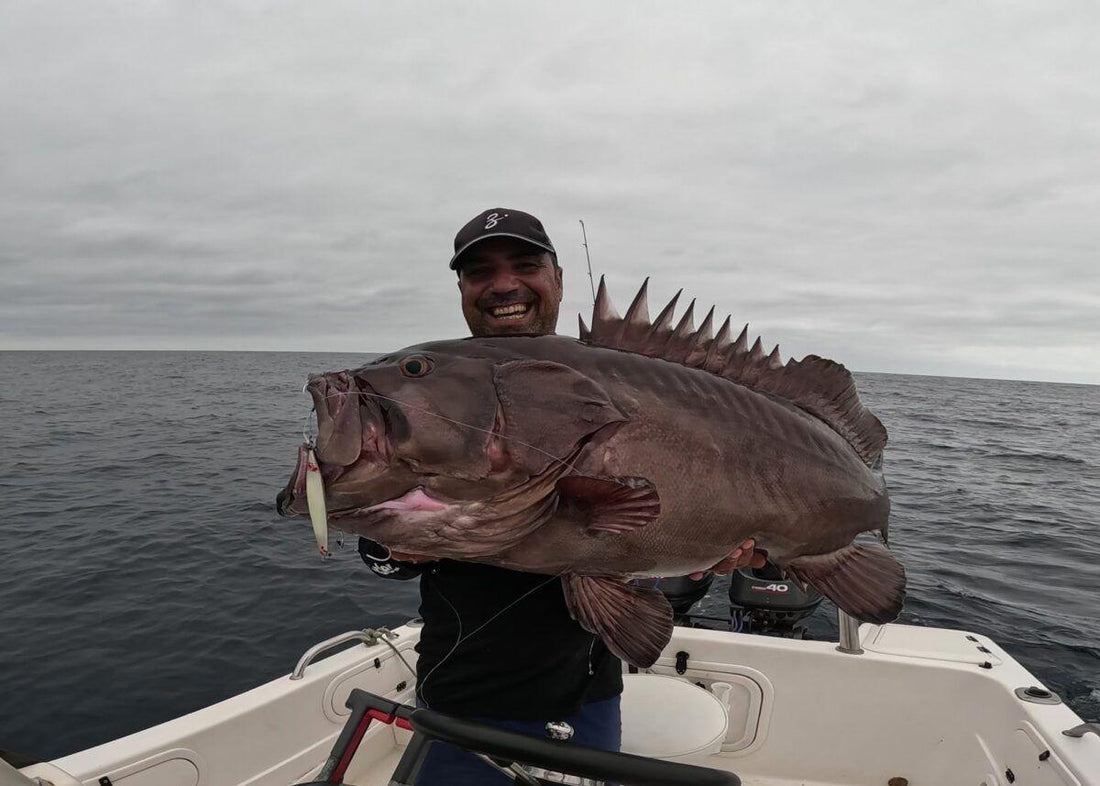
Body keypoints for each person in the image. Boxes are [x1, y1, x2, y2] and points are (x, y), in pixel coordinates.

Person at [358, 208, 763, 785]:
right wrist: (390, 550)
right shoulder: (434, 400)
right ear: (462, 290)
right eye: (479, 273)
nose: (503, 285)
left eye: (525, 265)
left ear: (558, 278)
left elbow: (659, 532)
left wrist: (709, 557)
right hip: (463, 695)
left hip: (591, 695)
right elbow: (378, 538)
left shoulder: (631, 379)